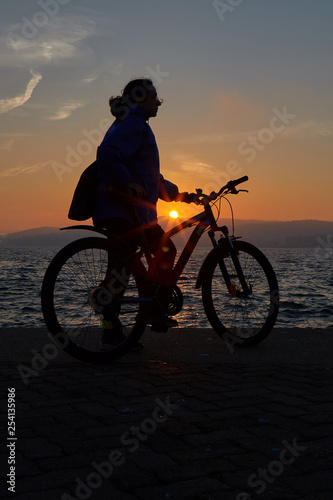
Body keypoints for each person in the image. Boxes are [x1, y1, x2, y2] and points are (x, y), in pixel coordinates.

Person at [93, 78, 191, 346]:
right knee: (149, 258)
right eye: (152, 97)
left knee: (120, 272)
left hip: (129, 212)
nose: (157, 102)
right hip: (125, 212)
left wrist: (181, 196)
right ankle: (151, 309)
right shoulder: (134, 125)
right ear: (138, 99)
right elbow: (107, 155)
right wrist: (127, 183)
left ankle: (115, 329)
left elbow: (150, 177)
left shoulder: (131, 124)